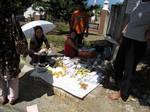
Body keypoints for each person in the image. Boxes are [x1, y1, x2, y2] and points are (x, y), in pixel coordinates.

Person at [108, 0, 150, 101]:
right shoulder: (138, 3)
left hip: (138, 41)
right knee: (118, 63)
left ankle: (123, 93)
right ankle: (120, 85)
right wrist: (122, 33)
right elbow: (131, 21)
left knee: (129, 68)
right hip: (127, 38)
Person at [0, 5, 28, 104]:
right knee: (13, 76)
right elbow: (19, 35)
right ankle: (12, 98)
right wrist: (24, 51)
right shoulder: (12, 18)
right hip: (11, 53)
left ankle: (3, 96)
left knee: (0, 75)